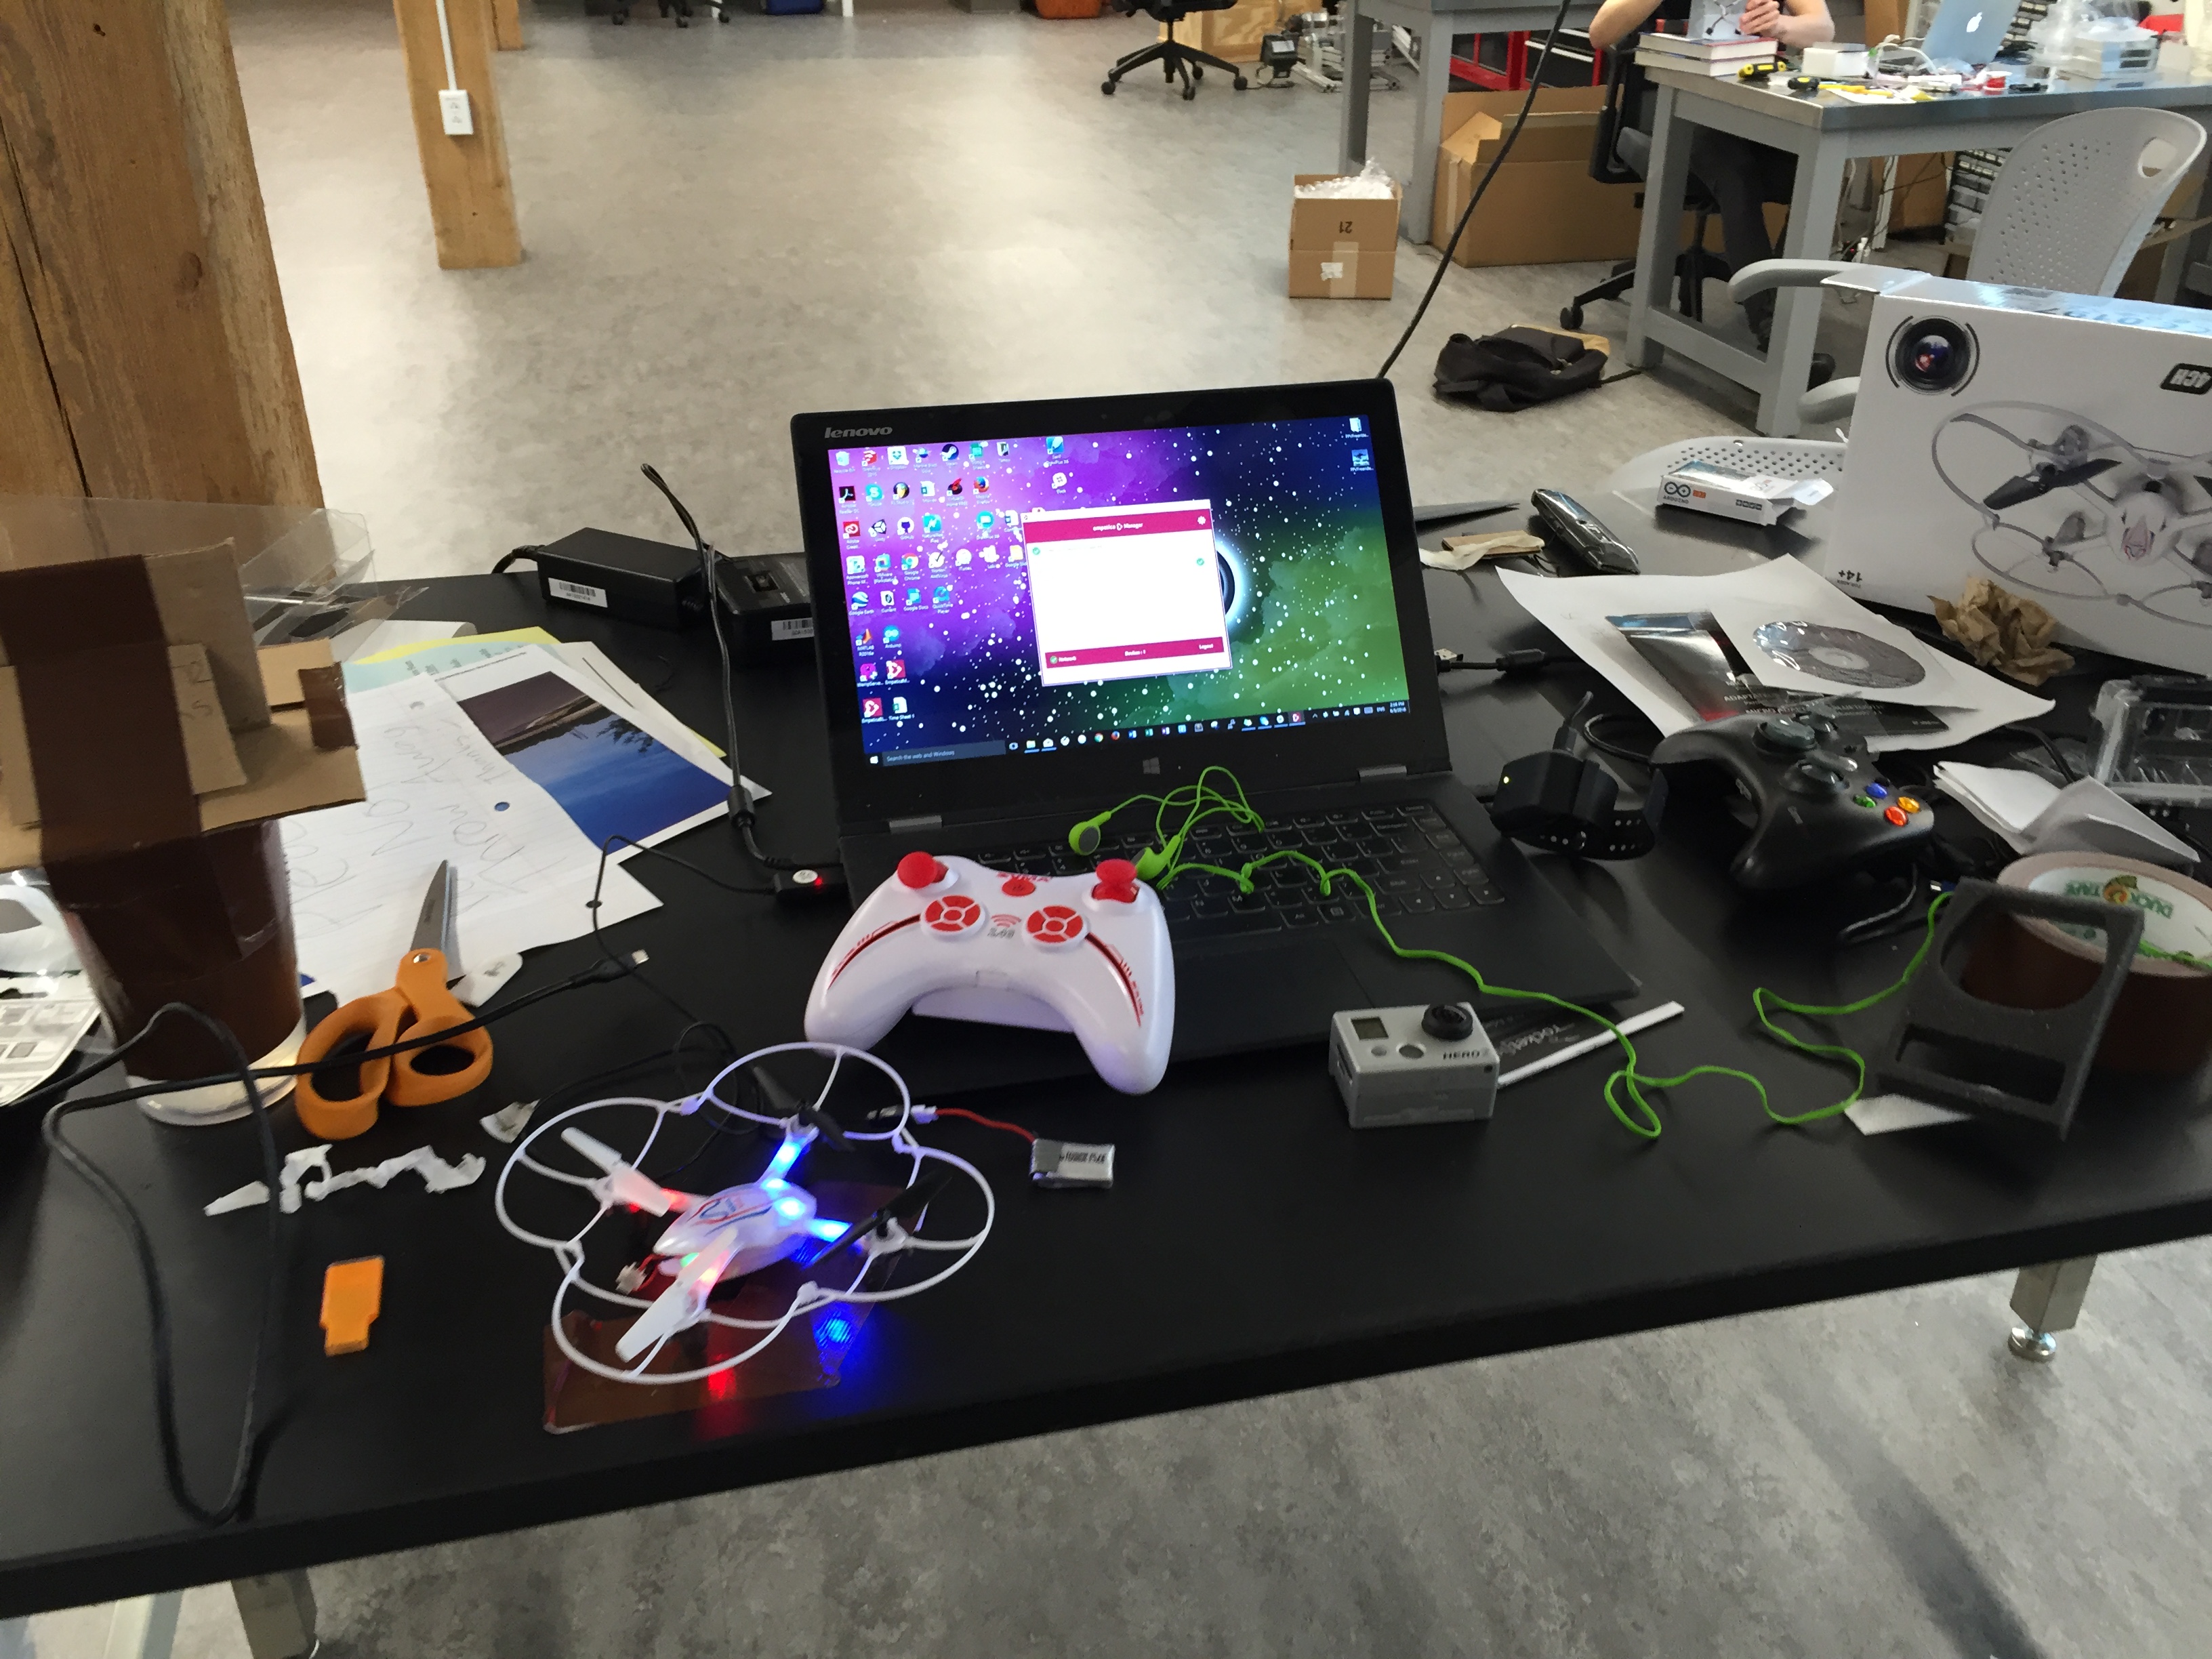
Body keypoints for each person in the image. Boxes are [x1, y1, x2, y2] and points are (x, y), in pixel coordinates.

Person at [1586, 0, 1835, 348]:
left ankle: (1784, 307)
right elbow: (1601, 33)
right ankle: (1773, 329)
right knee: (1735, 171)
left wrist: (1780, 26)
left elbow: (1823, 28)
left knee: (1813, 172)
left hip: (1750, 106)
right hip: (1672, 106)